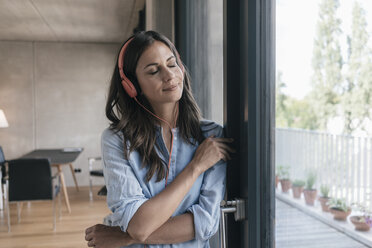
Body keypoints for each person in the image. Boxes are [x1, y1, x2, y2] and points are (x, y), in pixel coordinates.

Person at [84, 30, 234, 248]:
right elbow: (139, 226)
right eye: (154, 71)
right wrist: (195, 167)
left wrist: (123, 236)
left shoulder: (211, 137)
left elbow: (205, 223)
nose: (169, 75)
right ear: (132, 87)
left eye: (172, 64)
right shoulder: (117, 140)